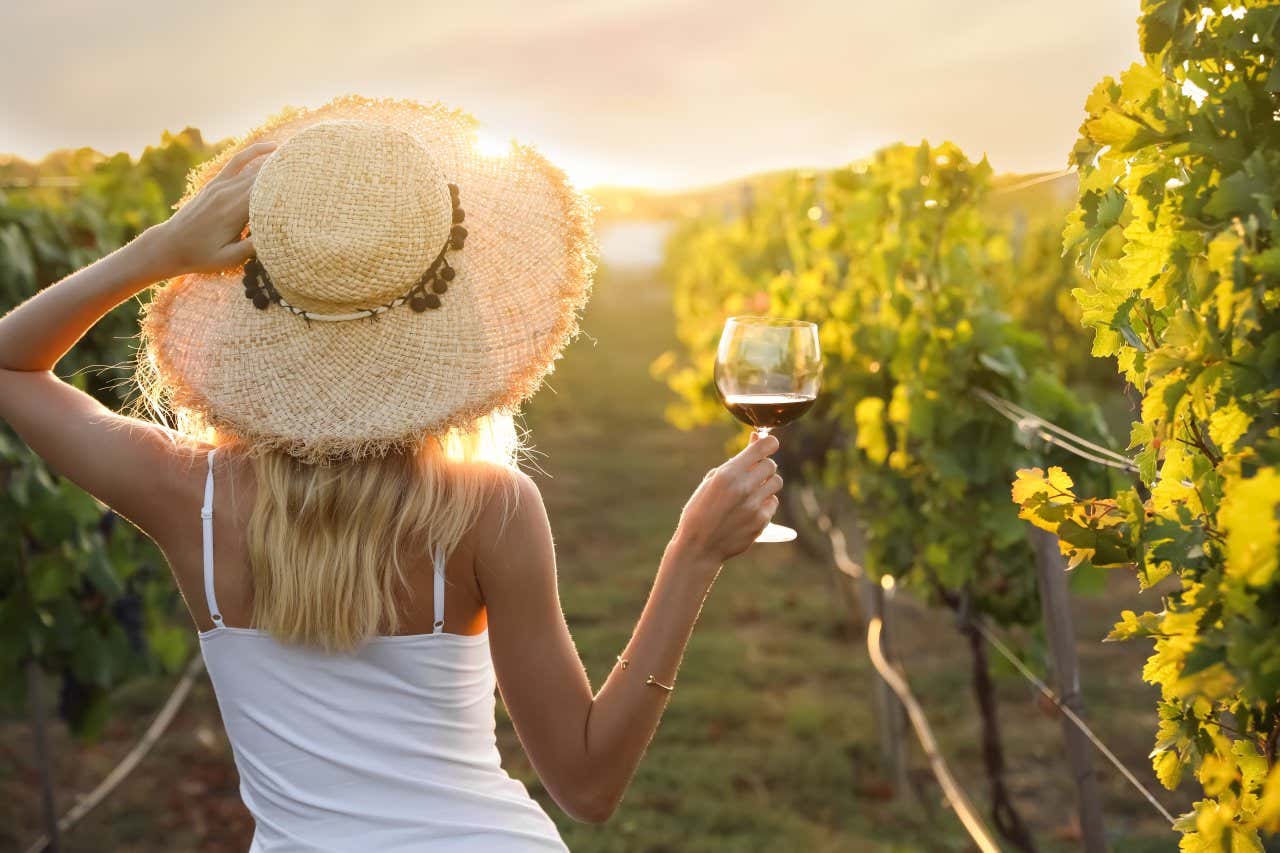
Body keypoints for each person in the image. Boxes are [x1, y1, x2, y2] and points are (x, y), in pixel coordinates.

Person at [0, 96, 783, 851]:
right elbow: (587, 784)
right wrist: (694, 552)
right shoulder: (487, 509)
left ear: (257, 301)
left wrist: (162, 251)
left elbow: (12, 362)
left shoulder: (188, 498)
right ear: (449, 313)